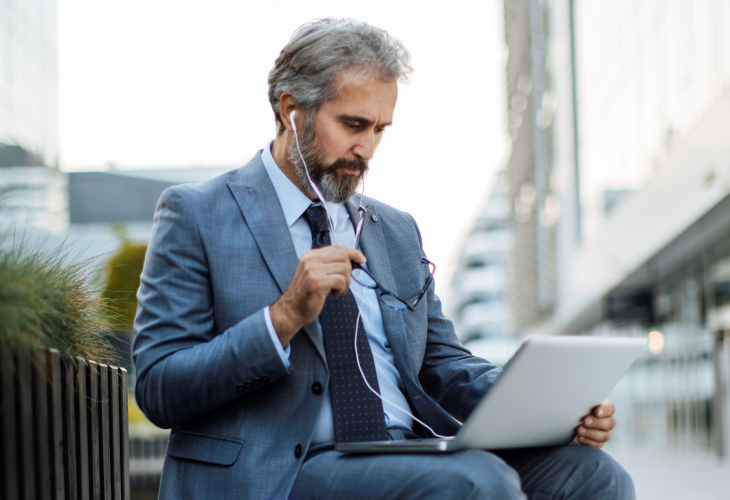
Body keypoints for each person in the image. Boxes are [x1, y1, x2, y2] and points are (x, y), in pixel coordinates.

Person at [133, 18, 635, 499]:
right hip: (281, 471)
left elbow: (443, 363)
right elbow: (159, 386)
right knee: (474, 483)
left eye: (380, 129)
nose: (366, 148)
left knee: (594, 476)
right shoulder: (197, 214)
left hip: (409, 452)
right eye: (352, 124)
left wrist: (547, 408)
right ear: (291, 109)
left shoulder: (393, 229)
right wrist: (282, 318)